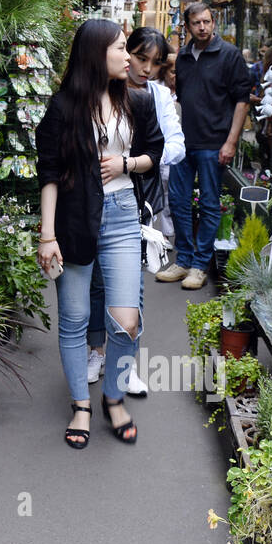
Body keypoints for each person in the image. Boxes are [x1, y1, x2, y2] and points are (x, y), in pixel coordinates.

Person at [36, 20, 164, 448]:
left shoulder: (137, 101)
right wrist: (46, 235)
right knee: (73, 319)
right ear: (96, 54)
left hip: (124, 215)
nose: (129, 58)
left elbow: (155, 153)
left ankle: (113, 397)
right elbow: (49, 175)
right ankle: (81, 405)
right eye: (121, 48)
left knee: (126, 321)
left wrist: (127, 164)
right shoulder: (64, 109)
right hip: (74, 217)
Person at [86, 27, 185, 391]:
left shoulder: (156, 96)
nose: (145, 69)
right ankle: (96, 351)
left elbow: (174, 145)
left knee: (134, 285)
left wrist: (136, 160)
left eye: (155, 64)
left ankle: (126, 363)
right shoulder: (98, 88)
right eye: (141, 59)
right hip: (99, 196)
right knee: (97, 280)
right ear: (125, 52)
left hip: (141, 197)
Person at [155, 2, 252, 290]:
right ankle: (183, 259)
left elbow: (242, 101)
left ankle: (199, 265)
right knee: (178, 202)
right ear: (187, 27)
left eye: (207, 21)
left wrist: (231, 142)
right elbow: (182, 96)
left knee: (210, 205)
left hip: (215, 143)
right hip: (185, 143)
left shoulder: (230, 55)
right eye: (196, 23)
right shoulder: (182, 58)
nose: (203, 27)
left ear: (213, 23)